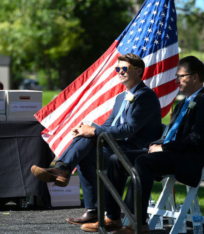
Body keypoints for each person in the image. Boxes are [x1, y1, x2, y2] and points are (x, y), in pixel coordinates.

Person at [83, 56, 204, 233]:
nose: (176, 80)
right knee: (117, 159)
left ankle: (137, 223)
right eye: (176, 76)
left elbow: (196, 140)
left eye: (181, 76)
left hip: (187, 159)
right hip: (170, 153)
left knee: (142, 161)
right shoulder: (181, 105)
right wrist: (156, 144)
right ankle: (113, 217)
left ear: (195, 77)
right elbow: (172, 133)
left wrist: (164, 148)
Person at [31, 53, 162, 228]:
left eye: (125, 68)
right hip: (119, 146)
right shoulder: (121, 97)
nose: (120, 72)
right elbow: (110, 124)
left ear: (139, 71)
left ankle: (62, 170)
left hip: (136, 150)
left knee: (90, 139)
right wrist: (87, 130)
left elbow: (130, 129)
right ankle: (91, 207)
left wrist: (93, 131)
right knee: (86, 145)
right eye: (118, 69)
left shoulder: (146, 96)